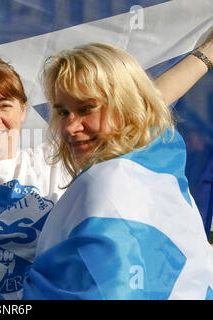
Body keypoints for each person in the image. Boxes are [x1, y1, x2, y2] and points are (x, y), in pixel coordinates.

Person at [0, 37, 213, 299]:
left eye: (4, 105)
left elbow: (142, 107)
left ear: (22, 111)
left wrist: (206, 54)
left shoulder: (59, 159)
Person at [22, 43, 213, 300]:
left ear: (126, 105)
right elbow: (155, 98)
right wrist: (207, 53)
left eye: (86, 108)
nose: (69, 127)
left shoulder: (106, 185)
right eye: (63, 112)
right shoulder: (154, 146)